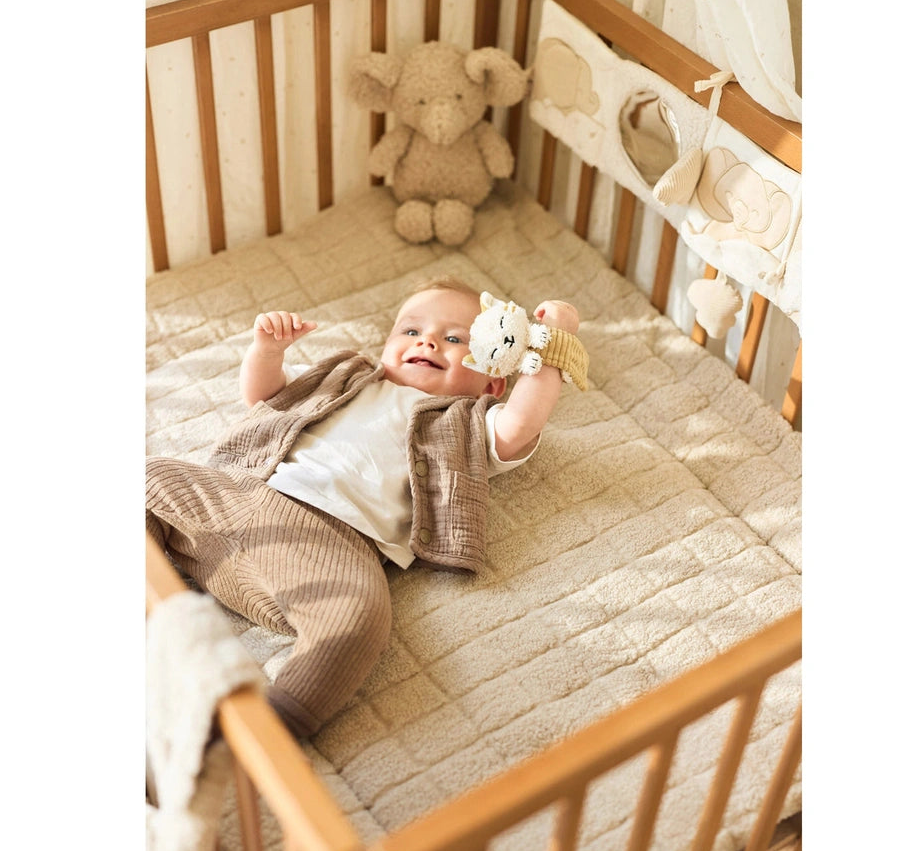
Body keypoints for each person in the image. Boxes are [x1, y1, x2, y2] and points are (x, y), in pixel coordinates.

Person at [146, 277, 584, 737]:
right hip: (244, 497)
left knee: (361, 623)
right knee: (148, 477)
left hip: (331, 546)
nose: (428, 340)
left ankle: (272, 730)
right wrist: (268, 352)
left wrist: (555, 342)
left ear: (492, 384)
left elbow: (521, 423)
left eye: (455, 339)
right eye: (411, 331)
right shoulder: (349, 380)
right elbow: (267, 398)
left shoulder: (466, 421)